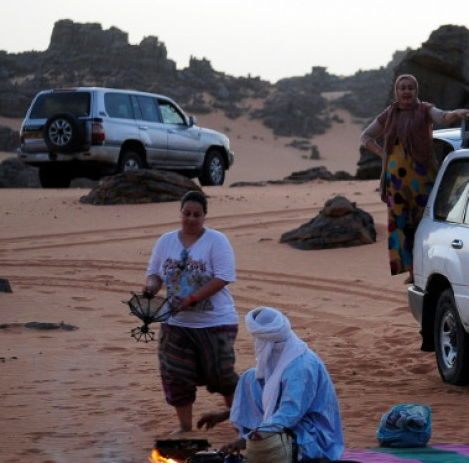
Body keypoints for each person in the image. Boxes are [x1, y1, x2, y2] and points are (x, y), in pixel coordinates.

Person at [142, 190, 240, 435]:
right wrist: (152, 286)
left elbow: (224, 277)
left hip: (215, 321)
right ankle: (185, 426)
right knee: (175, 373)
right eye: (187, 213)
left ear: (205, 216)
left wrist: (192, 299)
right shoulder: (166, 241)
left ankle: (242, 422)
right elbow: (154, 272)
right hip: (175, 321)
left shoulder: (217, 241)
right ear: (181, 214)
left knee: (221, 375)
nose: (191, 219)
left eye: (197, 214)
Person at [360, 74, 469, 284]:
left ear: (416, 91)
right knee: (401, 227)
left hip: (423, 180)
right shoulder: (389, 114)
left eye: (410, 87)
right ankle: (412, 272)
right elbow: (366, 136)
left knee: (425, 225)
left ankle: (429, 270)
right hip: (397, 185)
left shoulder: (425, 110)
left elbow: (442, 117)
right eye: (402, 88)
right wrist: (384, 153)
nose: (407, 91)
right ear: (397, 92)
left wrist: (455, 114)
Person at [197, 307, 344, 462]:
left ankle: (262, 441)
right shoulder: (280, 357)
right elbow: (270, 395)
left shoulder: (300, 367)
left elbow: (289, 413)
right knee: (250, 378)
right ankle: (260, 439)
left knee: (271, 449)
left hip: (313, 435)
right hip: (288, 424)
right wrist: (225, 414)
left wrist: (246, 440)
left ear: (264, 339)